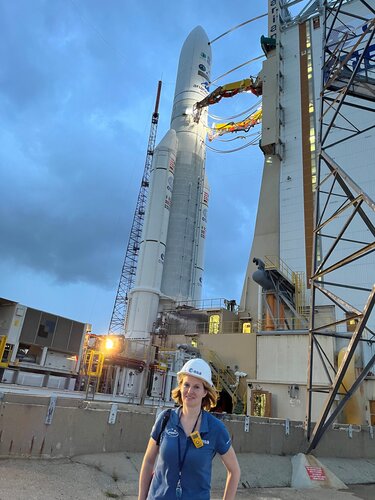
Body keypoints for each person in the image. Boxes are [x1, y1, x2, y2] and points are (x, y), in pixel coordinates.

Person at [138, 358, 241, 499]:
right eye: (186, 385)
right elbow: (149, 461)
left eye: (197, 387)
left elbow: (234, 471)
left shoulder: (215, 429)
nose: (190, 391)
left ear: (205, 392)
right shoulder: (165, 419)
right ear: (180, 387)